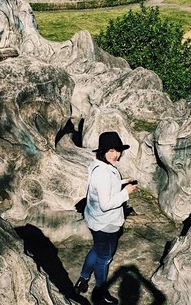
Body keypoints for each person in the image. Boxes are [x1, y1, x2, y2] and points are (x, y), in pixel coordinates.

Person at [73, 131, 138, 305]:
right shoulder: (102, 173)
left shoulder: (99, 166)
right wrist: (126, 193)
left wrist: (123, 181)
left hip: (96, 220)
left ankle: (83, 279)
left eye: (117, 150)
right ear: (102, 152)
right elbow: (105, 204)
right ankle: (100, 291)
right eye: (111, 151)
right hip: (105, 223)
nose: (116, 154)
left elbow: (107, 186)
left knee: (96, 249)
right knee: (104, 258)